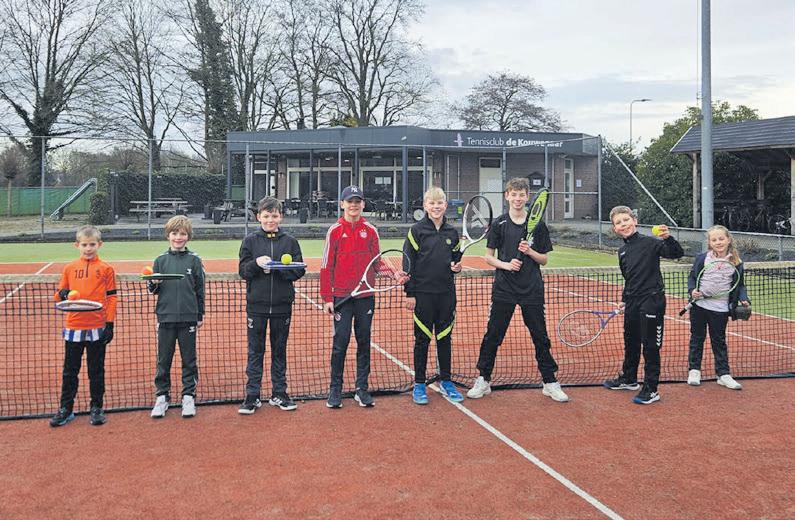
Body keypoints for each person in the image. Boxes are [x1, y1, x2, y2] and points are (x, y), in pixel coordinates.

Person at [467, 178, 569, 403]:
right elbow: (488, 257)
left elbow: (544, 260)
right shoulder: (499, 224)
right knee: (493, 335)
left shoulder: (538, 225)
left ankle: (550, 382)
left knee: (540, 336)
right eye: (513, 194)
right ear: (507, 196)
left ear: (527, 197)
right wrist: (506, 265)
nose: (517, 199)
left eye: (521, 195)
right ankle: (483, 379)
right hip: (504, 289)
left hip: (531, 289)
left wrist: (530, 252)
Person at [603, 206, 684, 404]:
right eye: (618, 223)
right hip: (632, 301)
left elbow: (676, 253)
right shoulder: (622, 251)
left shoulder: (651, 242)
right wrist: (625, 299)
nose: (623, 224)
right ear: (615, 229)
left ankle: (651, 388)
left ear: (635, 221)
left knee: (650, 346)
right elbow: (629, 278)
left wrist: (667, 238)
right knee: (630, 341)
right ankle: (629, 378)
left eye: (626, 220)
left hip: (652, 300)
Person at [238, 197, 306, 414]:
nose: (270, 220)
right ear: (259, 217)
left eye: (274, 216)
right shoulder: (249, 241)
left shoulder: (290, 242)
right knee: (255, 351)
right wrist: (257, 265)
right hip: (256, 306)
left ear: (281, 217)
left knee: (279, 351)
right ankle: (252, 395)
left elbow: (299, 269)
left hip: (281, 306)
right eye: (266, 216)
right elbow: (243, 271)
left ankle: (279, 393)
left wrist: (279, 269)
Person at [50, 226, 117, 427]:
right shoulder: (69, 268)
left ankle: (96, 407)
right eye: (84, 245)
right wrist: (63, 294)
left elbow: (112, 298)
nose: (88, 248)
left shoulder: (106, 269)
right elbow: (58, 295)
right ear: (77, 245)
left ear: (99, 245)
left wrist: (110, 324)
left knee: (96, 370)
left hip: (97, 326)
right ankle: (66, 408)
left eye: (92, 244)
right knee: (70, 371)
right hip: (74, 327)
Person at [320, 185, 381, 408]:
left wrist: (394, 274)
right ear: (342, 204)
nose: (353, 205)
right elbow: (326, 267)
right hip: (342, 298)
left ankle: (361, 389)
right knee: (341, 343)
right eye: (349, 201)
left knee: (364, 342)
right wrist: (327, 298)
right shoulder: (334, 231)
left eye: (357, 201)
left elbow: (377, 263)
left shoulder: (371, 231)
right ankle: (335, 390)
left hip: (365, 296)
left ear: (363, 204)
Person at [403, 187, 464, 405]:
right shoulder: (416, 231)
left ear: (445, 205)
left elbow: (455, 260)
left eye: (440, 203)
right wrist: (409, 293)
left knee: (444, 338)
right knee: (422, 340)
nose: (436, 207)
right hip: (423, 295)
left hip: (446, 294)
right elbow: (408, 263)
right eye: (432, 203)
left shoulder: (452, 233)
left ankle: (446, 381)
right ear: (425, 206)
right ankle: (419, 384)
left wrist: (457, 267)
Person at [148, 215, 205, 419]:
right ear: (168, 235)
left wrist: (200, 314)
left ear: (188, 236)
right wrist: (153, 283)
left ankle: (188, 396)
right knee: (164, 359)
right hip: (165, 317)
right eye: (174, 233)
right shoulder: (160, 260)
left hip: (188, 317)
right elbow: (153, 289)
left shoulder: (195, 260)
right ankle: (162, 396)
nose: (178, 237)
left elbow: (200, 290)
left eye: (182, 234)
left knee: (189, 359)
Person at [686, 225, 749, 390]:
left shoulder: (736, 262)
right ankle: (694, 370)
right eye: (714, 240)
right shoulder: (702, 258)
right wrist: (692, 291)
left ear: (728, 240)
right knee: (697, 338)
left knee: (719, 341)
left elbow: (740, 285)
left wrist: (744, 299)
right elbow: (692, 278)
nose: (718, 242)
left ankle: (723, 374)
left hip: (720, 309)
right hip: (699, 306)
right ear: (709, 243)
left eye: (721, 239)